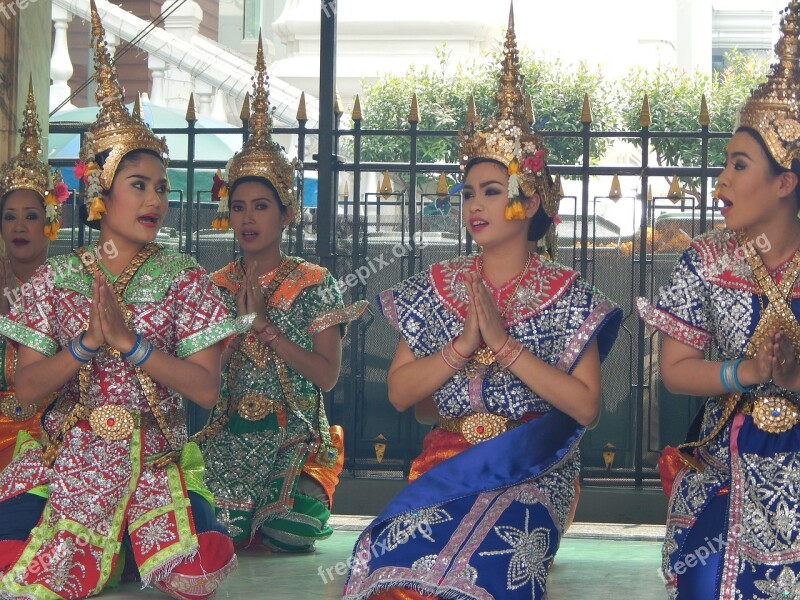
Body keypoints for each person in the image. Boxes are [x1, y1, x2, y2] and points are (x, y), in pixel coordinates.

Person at [343, 8, 622, 599]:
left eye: (492, 192)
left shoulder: (570, 295)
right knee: (390, 573)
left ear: (529, 201)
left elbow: (587, 407)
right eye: (468, 192)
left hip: (534, 468)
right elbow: (400, 393)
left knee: (488, 574)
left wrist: (504, 346)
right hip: (446, 457)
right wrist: (464, 344)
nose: (475, 205)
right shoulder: (437, 284)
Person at [0, 4, 242, 598]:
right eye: (139, 185)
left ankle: (129, 547)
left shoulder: (185, 276)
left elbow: (206, 390)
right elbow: (24, 390)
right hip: (67, 458)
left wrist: (131, 346)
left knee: (200, 564)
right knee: (9, 548)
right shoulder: (55, 281)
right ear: (100, 192)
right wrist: (85, 345)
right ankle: (115, 549)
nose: (156, 198)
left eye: (161, 186)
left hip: (156, 463)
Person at [636, 2, 800, 596]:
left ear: (785, 182)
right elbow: (677, 373)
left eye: (738, 165)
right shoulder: (706, 260)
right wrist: (749, 371)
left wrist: (794, 376)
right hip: (727, 459)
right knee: (710, 580)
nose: (721, 182)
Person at [199, 35, 367, 553]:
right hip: (227, 439)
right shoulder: (215, 286)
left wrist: (266, 328)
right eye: (241, 206)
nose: (248, 218)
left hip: (294, 439)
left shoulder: (314, 283)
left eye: (262, 207)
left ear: (287, 215)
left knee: (284, 529)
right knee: (205, 532)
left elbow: (327, 375)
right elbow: (202, 378)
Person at [0, 80, 65, 470]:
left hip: (51, 429)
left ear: (50, 222)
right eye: (10, 217)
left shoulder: (68, 283)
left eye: (31, 216)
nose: (19, 227)